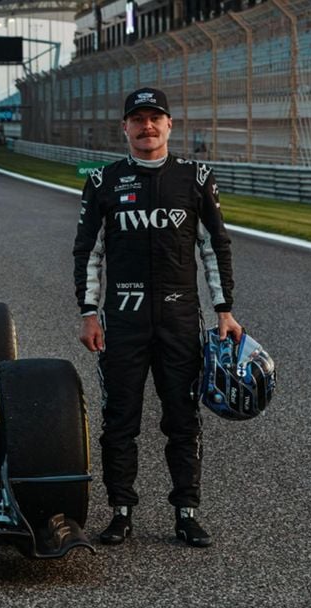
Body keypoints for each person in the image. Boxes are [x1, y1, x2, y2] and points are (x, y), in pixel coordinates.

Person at [73, 87, 241, 548]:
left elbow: (215, 247)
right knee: (119, 421)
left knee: (182, 420)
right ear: (125, 127)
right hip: (122, 323)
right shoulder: (103, 181)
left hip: (180, 321)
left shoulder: (196, 178)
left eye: (154, 118)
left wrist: (224, 310)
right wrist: (89, 314)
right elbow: (89, 252)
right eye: (138, 119)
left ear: (169, 125)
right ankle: (120, 512)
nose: (146, 127)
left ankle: (187, 512)